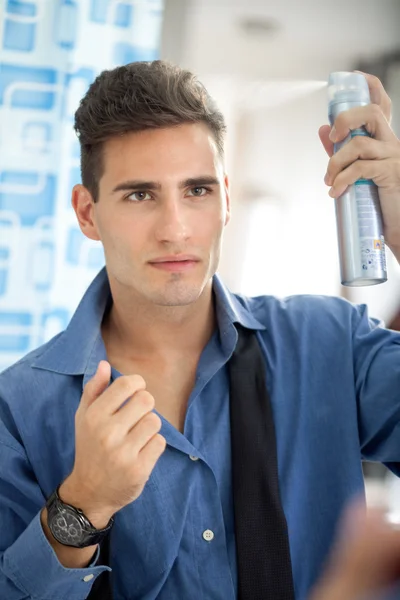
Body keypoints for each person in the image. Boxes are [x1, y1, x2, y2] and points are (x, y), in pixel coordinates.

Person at [0, 59, 400, 600]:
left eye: (197, 190)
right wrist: (81, 506)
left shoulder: (333, 343)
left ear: (227, 199)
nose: (176, 229)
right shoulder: (18, 409)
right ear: (87, 212)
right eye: (140, 195)